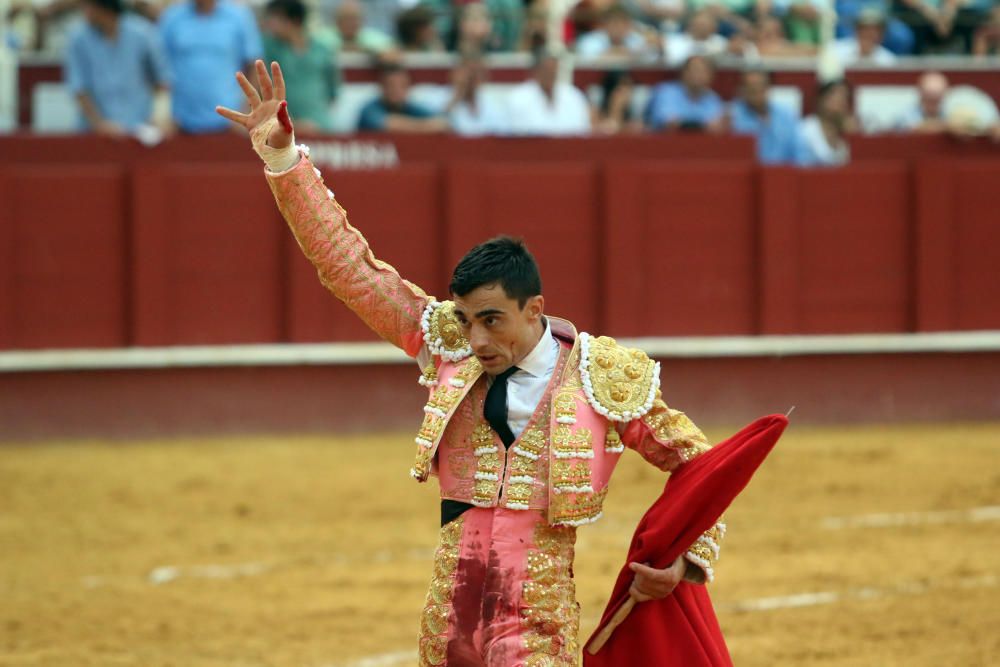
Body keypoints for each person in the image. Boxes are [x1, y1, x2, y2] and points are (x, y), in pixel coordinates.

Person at [216, 59, 729, 666]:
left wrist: (682, 556)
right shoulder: (447, 342)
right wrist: (284, 159)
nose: (476, 338)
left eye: (492, 320)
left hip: (540, 616)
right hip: (450, 612)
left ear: (534, 308)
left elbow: (701, 462)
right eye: (466, 319)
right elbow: (349, 268)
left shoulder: (600, 375)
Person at [64, 0, 171, 137]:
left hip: (139, 130)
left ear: (105, 8)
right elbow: (77, 87)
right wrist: (99, 123)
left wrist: (160, 116)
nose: (84, 11)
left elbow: (163, 80)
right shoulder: (78, 38)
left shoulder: (142, 33)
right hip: (93, 133)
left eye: (89, 6)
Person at [160, 0, 262, 133]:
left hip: (230, 124)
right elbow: (159, 67)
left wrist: (247, 111)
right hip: (181, 123)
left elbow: (254, 65)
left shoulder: (239, 17)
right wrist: (165, 114)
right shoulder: (172, 17)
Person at [262, 0, 338, 133]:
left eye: (276, 18)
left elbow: (333, 91)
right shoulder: (268, 49)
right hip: (281, 130)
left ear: (294, 20)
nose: (270, 24)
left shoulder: (322, 51)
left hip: (321, 127)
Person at [505, 48, 592, 136]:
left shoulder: (573, 96)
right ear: (535, 71)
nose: (551, 74)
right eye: (546, 70)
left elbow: (583, 133)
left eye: (554, 70)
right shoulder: (518, 99)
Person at [728, 69, 798, 164]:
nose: (756, 90)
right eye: (750, 87)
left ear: (769, 87)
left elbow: (798, 152)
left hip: (784, 173)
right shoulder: (732, 116)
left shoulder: (786, 115)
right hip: (748, 174)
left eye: (760, 85)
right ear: (742, 90)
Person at [357, 62, 448, 132]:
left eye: (402, 86)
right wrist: (425, 127)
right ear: (382, 87)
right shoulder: (369, 110)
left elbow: (443, 123)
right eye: (391, 85)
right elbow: (388, 125)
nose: (397, 90)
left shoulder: (412, 108)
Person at [645, 54, 725, 132]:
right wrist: (703, 125)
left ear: (712, 76)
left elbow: (716, 127)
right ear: (684, 72)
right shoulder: (665, 92)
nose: (699, 75)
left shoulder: (713, 98)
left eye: (705, 71)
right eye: (696, 70)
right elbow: (669, 123)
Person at [795, 79, 855, 167]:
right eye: (836, 96)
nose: (841, 102)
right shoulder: (805, 130)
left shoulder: (843, 143)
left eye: (845, 97)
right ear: (821, 100)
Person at [444, 55, 509, 136]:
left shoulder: (495, 99)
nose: (469, 79)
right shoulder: (439, 97)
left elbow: (500, 129)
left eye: (473, 74)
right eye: (466, 74)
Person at [574, 3, 659, 61]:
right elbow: (589, 57)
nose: (619, 29)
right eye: (615, 24)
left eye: (623, 24)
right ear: (606, 25)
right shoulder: (591, 40)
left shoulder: (635, 39)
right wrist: (628, 53)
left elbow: (650, 56)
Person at [832, 8, 897, 65]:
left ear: (882, 34)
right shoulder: (835, 50)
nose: (869, 34)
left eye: (875, 30)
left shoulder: (888, 60)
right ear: (856, 31)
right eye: (864, 29)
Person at [326, 0, 394, 55]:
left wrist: (367, 50)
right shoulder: (325, 38)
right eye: (345, 18)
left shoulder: (373, 37)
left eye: (354, 19)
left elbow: (391, 51)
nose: (350, 23)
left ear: (363, 20)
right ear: (336, 21)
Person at [591, 69, 643, 134]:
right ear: (610, 91)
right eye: (621, 91)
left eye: (629, 89)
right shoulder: (594, 114)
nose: (626, 96)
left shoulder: (633, 123)